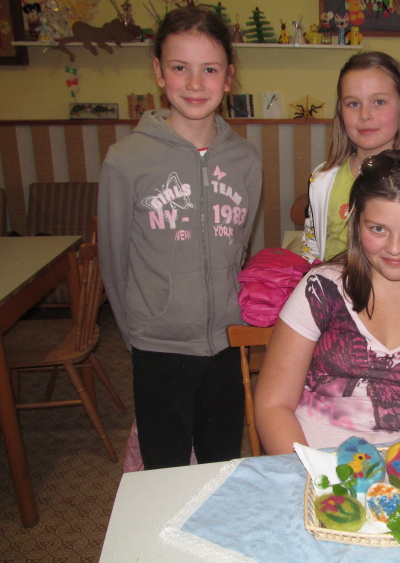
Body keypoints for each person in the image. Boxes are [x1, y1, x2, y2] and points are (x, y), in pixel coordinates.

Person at [98, 6, 262, 470]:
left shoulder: (246, 160)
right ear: (158, 72)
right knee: (164, 469)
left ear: (228, 77)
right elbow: (114, 259)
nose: (194, 83)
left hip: (227, 341)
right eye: (179, 67)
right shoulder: (126, 160)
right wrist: (140, 331)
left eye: (209, 69)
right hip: (159, 345)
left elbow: (238, 248)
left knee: (221, 462)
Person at [255, 150, 400, 454]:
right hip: (312, 462)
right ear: (356, 221)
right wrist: (310, 472)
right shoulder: (321, 288)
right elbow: (273, 405)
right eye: (378, 229)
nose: (395, 248)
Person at [300, 51, 400, 263]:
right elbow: (310, 251)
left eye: (379, 102)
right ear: (340, 111)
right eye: (353, 104)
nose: (365, 115)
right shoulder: (322, 181)